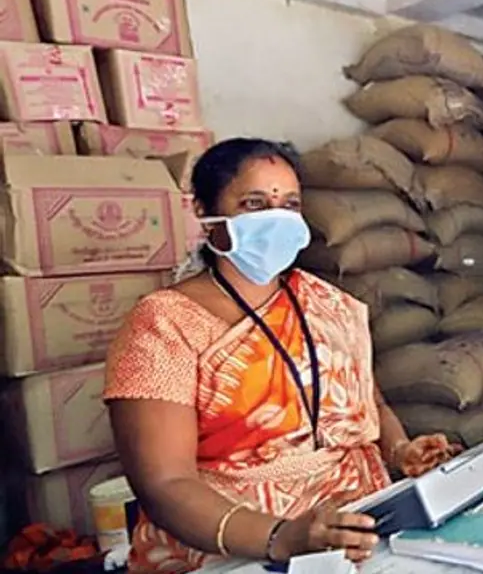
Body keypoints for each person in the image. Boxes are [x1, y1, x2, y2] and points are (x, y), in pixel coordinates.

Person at [105, 138, 459, 573]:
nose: (275, 218)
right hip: (233, 544)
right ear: (204, 211)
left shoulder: (328, 304)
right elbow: (164, 482)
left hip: (357, 528)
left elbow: (371, 403)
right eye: (255, 203)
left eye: (289, 205)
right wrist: (279, 537)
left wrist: (400, 449)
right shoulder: (163, 325)